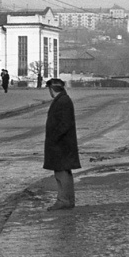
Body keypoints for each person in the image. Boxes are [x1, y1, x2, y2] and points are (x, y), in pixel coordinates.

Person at [43, 78, 81, 211]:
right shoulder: (64, 99)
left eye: (49, 89)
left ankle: (64, 200)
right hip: (63, 143)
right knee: (63, 171)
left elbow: (64, 124)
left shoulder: (63, 101)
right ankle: (67, 200)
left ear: (52, 90)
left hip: (61, 143)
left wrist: (54, 138)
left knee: (61, 172)